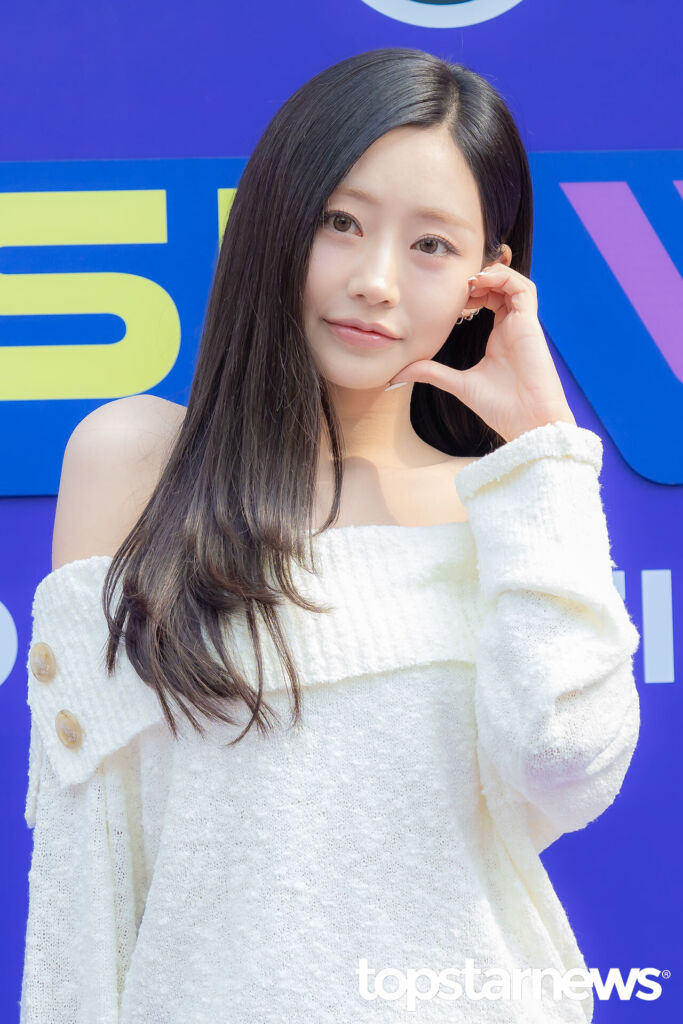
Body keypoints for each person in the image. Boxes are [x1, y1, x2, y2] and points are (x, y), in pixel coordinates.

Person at [20, 48, 641, 1023]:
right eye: (340, 222)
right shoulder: (132, 462)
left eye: (430, 244)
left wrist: (545, 457)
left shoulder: (509, 508)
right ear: (277, 219)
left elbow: (563, 768)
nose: (376, 281)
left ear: (486, 280)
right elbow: (84, 861)